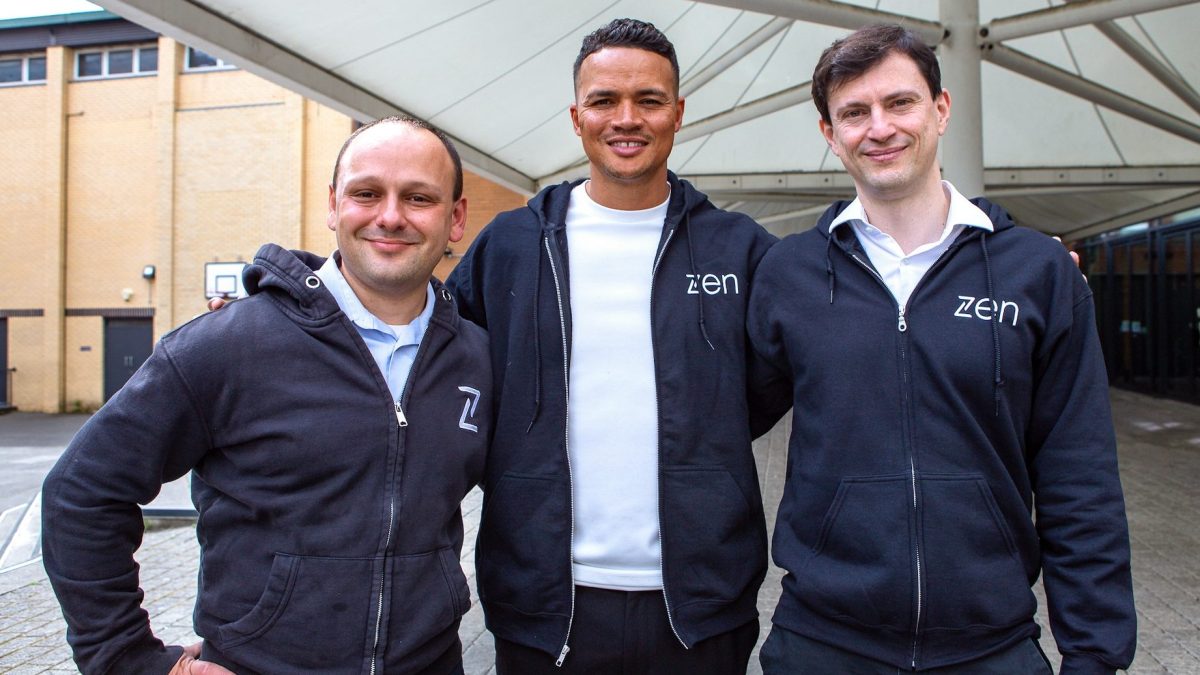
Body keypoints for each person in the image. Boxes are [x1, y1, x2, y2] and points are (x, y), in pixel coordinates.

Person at [747, 24, 1136, 674]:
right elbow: (716, 415)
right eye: (854, 112)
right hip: (821, 644)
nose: (879, 127)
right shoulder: (790, 273)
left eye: (899, 102)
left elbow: (1080, 477)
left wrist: (1094, 652)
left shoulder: (1036, 272)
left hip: (993, 646)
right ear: (829, 134)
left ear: (941, 109)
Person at [41, 116, 492, 675]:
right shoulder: (227, 346)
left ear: (455, 218)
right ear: (333, 205)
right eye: (366, 193)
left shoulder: (479, 357)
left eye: (418, 197)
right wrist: (130, 659)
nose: (391, 216)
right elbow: (81, 493)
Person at [444, 18, 781, 674]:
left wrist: (708, 437)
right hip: (544, 605)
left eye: (648, 100)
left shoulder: (739, 248)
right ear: (577, 116)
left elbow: (770, 385)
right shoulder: (510, 247)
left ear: (678, 113)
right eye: (604, 101)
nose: (626, 118)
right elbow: (452, 372)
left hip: (703, 607)